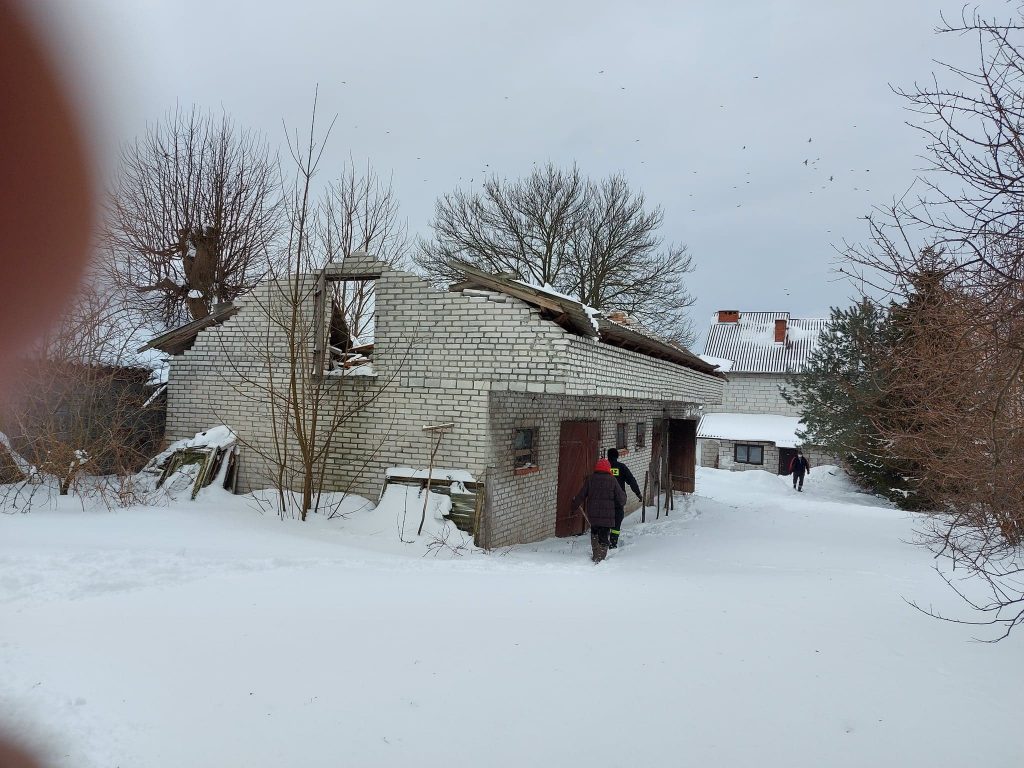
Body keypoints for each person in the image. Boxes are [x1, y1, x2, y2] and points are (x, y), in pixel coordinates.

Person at [571, 457, 625, 563]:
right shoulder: (612, 480)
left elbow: (582, 494)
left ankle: (596, 554)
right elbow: (621, 499)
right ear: (608, 468)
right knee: (604, 535)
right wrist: (623, 499)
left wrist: (574, 506)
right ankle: (600, 558)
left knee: (595, 532)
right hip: (607, 516)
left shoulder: (591, 479)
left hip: (594, 515)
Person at [606, 448, 642, 548]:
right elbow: (631, 481)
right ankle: (613, 542)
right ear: (617, 456)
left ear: (608, 456)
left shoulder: (604, 468)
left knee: (605, 519)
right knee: (617, 521)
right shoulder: (621, 467)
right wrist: (638, 494)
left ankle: (603, 540)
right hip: (618, 500)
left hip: (605, 500)